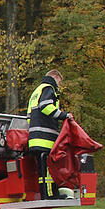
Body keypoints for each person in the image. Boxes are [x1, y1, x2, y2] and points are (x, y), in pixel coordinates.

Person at [26, 70, 73, 200]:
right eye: (59, 81)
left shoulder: (36, 91)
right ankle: (50, 195)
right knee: (49, 168)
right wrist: (64, 115)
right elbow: (46, 107)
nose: (58, 85)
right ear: (55, 77)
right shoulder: (49, 88)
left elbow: (29, 117)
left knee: (42, 170)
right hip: (45, 137)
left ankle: (45, 194)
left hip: (35, 137)